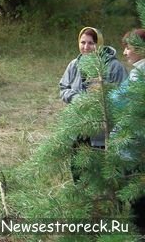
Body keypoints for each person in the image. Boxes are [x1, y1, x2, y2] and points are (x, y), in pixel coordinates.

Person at [59, 27, 128, 147]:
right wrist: (77, 98)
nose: (86, 47)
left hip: (103, 132)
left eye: (91, 43)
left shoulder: (114, 67)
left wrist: (100, 100)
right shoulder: (74, 65)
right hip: (78, 127)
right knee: (78, 163)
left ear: (99, 44)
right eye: (83, 42)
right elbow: (63, 88)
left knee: (99, 163)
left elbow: (125, 95)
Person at [111, 29, 145, 233]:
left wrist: (103, 97)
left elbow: (120, 103)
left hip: (137, 149)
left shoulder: (140, 76)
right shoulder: (137, 72)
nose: (124, 52)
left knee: (138, 203)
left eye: (128, 47)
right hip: (133, 147)